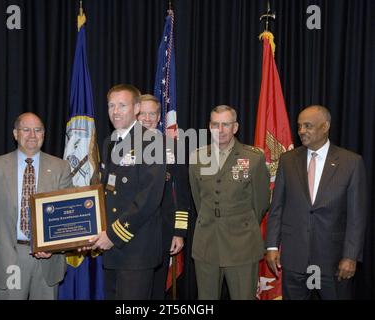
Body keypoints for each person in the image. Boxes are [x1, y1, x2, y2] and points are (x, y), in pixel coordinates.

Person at [0, 112, 72, 300]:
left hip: (48, 258)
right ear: (15, 134)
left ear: (44, 134)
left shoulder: (61, 167)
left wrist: (54, 246)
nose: (32, 135)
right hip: (10, 259)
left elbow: (68, 211)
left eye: (38, 130)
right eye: (26, 130)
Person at [265, 105, 367, 300]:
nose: (301, 131)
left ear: (325, 126)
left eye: (308, 126)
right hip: (294, 259)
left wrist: (351, 256)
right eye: (299, 126)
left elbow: (357, 216)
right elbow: (277, 207)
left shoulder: (351, 162)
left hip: (334, 261)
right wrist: (271, 246)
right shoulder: (287, 160)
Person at [86, 84, 167, 299]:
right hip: (112, 249)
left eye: (122, 105)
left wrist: (113, 235)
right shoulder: (109, 142)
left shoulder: (152, 142)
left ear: (137, 108)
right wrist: (93, 230)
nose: (115, 111)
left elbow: (149, 198)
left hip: (136, 248)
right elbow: (108, 192)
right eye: (111, 105)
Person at [189, 105, 270, 300]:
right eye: (216, 124)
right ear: (209, 127)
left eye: (226, 124)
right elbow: (198, 199)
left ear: (235, 128)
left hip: (241, 244)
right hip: (206, 242)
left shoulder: (253, 158)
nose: (221, 130)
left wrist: (238, 222)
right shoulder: (197, 157)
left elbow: (260, 203)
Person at [137, 94, 190, 299]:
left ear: (159, 117)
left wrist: (179, 232)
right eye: (142, 113)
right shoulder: (119, 146)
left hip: (161, 231)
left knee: (157, 289)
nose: (147, 118)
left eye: (152, 113)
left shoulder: (173, 147)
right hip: (129, 233)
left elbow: (182, 194)